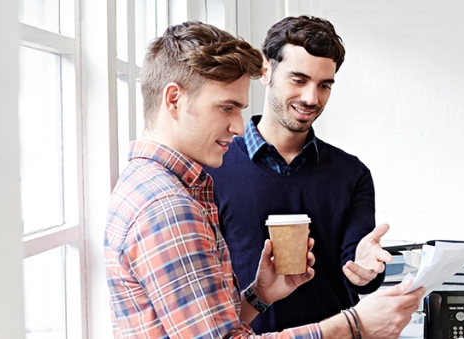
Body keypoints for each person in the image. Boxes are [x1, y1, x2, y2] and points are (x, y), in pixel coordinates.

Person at [105, 21, 425, 339]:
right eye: (227, 108)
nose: (235, 126)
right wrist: (357, 325)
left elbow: (211, 327)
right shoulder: (170, 207)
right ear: (174, 99)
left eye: (325, 84)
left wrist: (260, 294)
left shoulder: (151, 183)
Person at [204, 15, 395, 332]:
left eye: (324, 85)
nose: (311, 98)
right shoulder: (215, 167)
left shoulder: (352, 174)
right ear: (266, 71)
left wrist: (366, 268)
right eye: (298, 79)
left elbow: (358, 262)